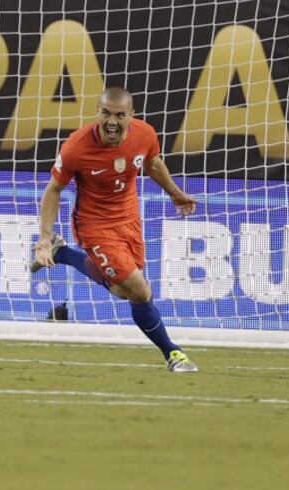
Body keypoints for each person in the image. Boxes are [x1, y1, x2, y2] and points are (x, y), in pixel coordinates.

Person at [34, 87, 198, 372]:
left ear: (131, 116)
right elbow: (54, 189)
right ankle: (173, 353)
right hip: (94, 224)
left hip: (129, 218)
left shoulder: (144, 134)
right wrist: (43, 239)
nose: (112, 121)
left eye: (119, 115)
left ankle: (65, 255)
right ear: (97, 112)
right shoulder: (76, 146)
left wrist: (174, 192)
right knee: (141, 290)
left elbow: (152, 162)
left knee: (125, 292)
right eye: (106, 113)